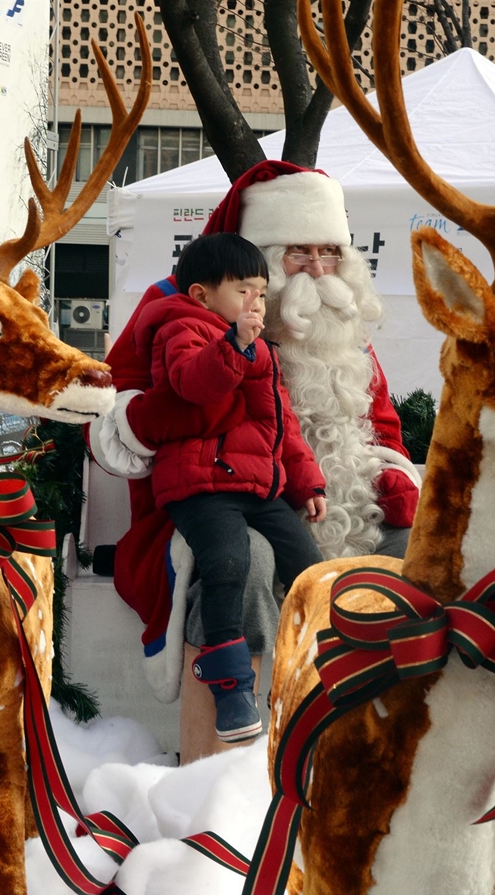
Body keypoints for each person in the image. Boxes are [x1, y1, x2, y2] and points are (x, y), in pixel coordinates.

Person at [89, 160, 420, 760]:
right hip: (211, 502)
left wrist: (391, 471)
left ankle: (375, 746)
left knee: (409, 552)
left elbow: (381, 427)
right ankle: (217, 762)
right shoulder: (179, 313)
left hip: (327, 498)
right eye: (299, 253)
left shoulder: (344, 332)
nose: (318, 272)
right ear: (258, 258)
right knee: (249, 561)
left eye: (329, 253)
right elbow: (114, 418)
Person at [125, 232, 326, 744]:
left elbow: (282, 422)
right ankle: (231, 682)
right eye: (243, 290)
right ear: (201, 294)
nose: (255, 302)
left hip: (259, 485)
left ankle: (328, 662)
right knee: (229, 561)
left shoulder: (259, 346)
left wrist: (306, 483)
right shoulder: (181, 327)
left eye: (260, 291)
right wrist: (233, 345)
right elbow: (192, 383)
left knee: (310, 563)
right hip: (200, 485)